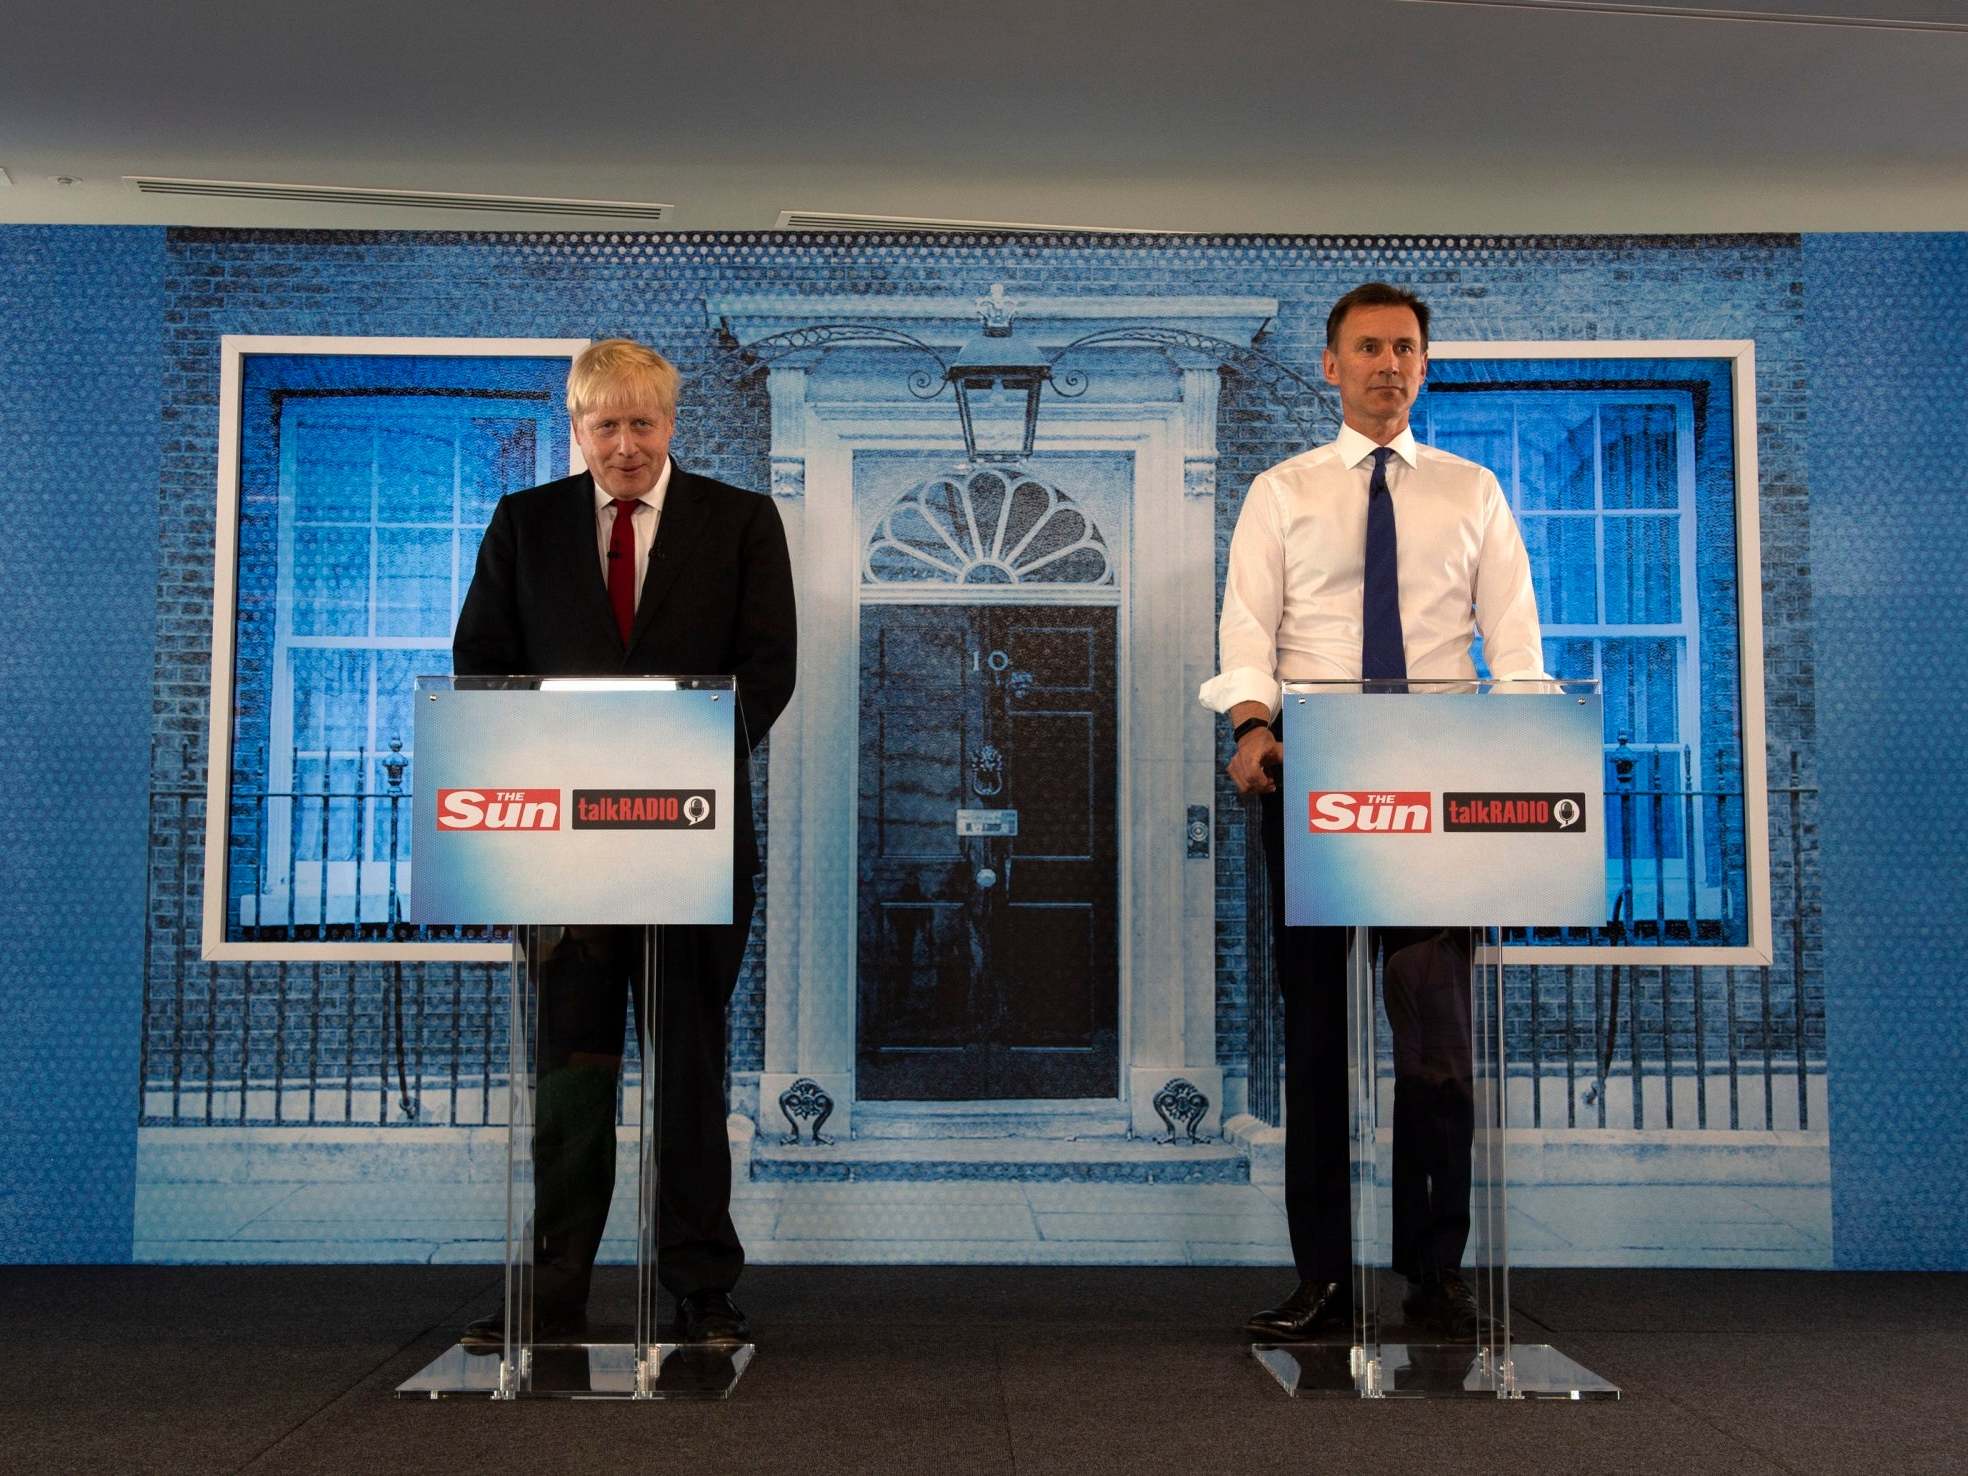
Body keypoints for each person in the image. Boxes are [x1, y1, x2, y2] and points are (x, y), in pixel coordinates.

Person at [1199, 283, 1545, 1342]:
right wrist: (1252, 727)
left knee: (1436, 1046)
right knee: (1314, 1044)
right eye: (1368, 348)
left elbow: (1518, 651)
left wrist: (1531, 760)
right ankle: (1325, 1281)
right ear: (1331, 365)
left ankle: (1436, 1276)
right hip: (1315, 778)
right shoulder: (1282, 490)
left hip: (1439, 787)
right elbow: (1246, 630)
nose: (1388, 364)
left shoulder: (1473, 490)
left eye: (1405, 348)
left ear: (1424, 364)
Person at [452, 337, 796, 1346]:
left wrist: (669, 754)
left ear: (671, 424)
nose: (627, 445)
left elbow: (767, 666)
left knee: (689, 1072)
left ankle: (701, 1291)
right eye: (607, 426)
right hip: (564, 857)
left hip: (694, 842)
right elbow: (481, 665)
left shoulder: (739, 521)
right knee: (572, 1077)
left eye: (644, 423)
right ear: (579, 429)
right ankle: (552, 1296)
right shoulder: (525, 525)